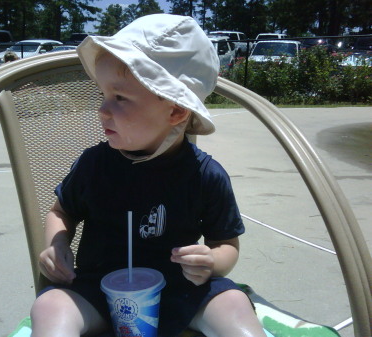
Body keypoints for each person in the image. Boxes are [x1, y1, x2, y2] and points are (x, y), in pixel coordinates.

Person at [30, 14, 267, 337]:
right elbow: (61, 211)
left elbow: (226, 243)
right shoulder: (93, 164)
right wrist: (57, 244)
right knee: (49, 307)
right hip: (98, 291)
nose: (102, 109)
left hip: (181, 290)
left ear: (175, 111)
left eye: (120, 98)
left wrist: (212, 261)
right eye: (103, 95)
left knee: (234, 303)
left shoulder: (205, 175)